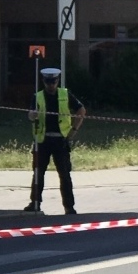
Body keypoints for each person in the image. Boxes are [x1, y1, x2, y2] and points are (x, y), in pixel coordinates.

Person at [26, 67, 84, 214]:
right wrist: (33, 115)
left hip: (60, 141)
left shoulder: (65, 94)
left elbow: (81, 110)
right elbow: (30, 116)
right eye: (48, 82)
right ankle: (35, 203)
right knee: (38, 173)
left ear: (57, 81)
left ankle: (69, 206)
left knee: (64, 174)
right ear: (44, 82)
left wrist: (74, 130)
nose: (51, 85)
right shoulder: (37, 96)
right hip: (42, 141)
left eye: (53, 82)